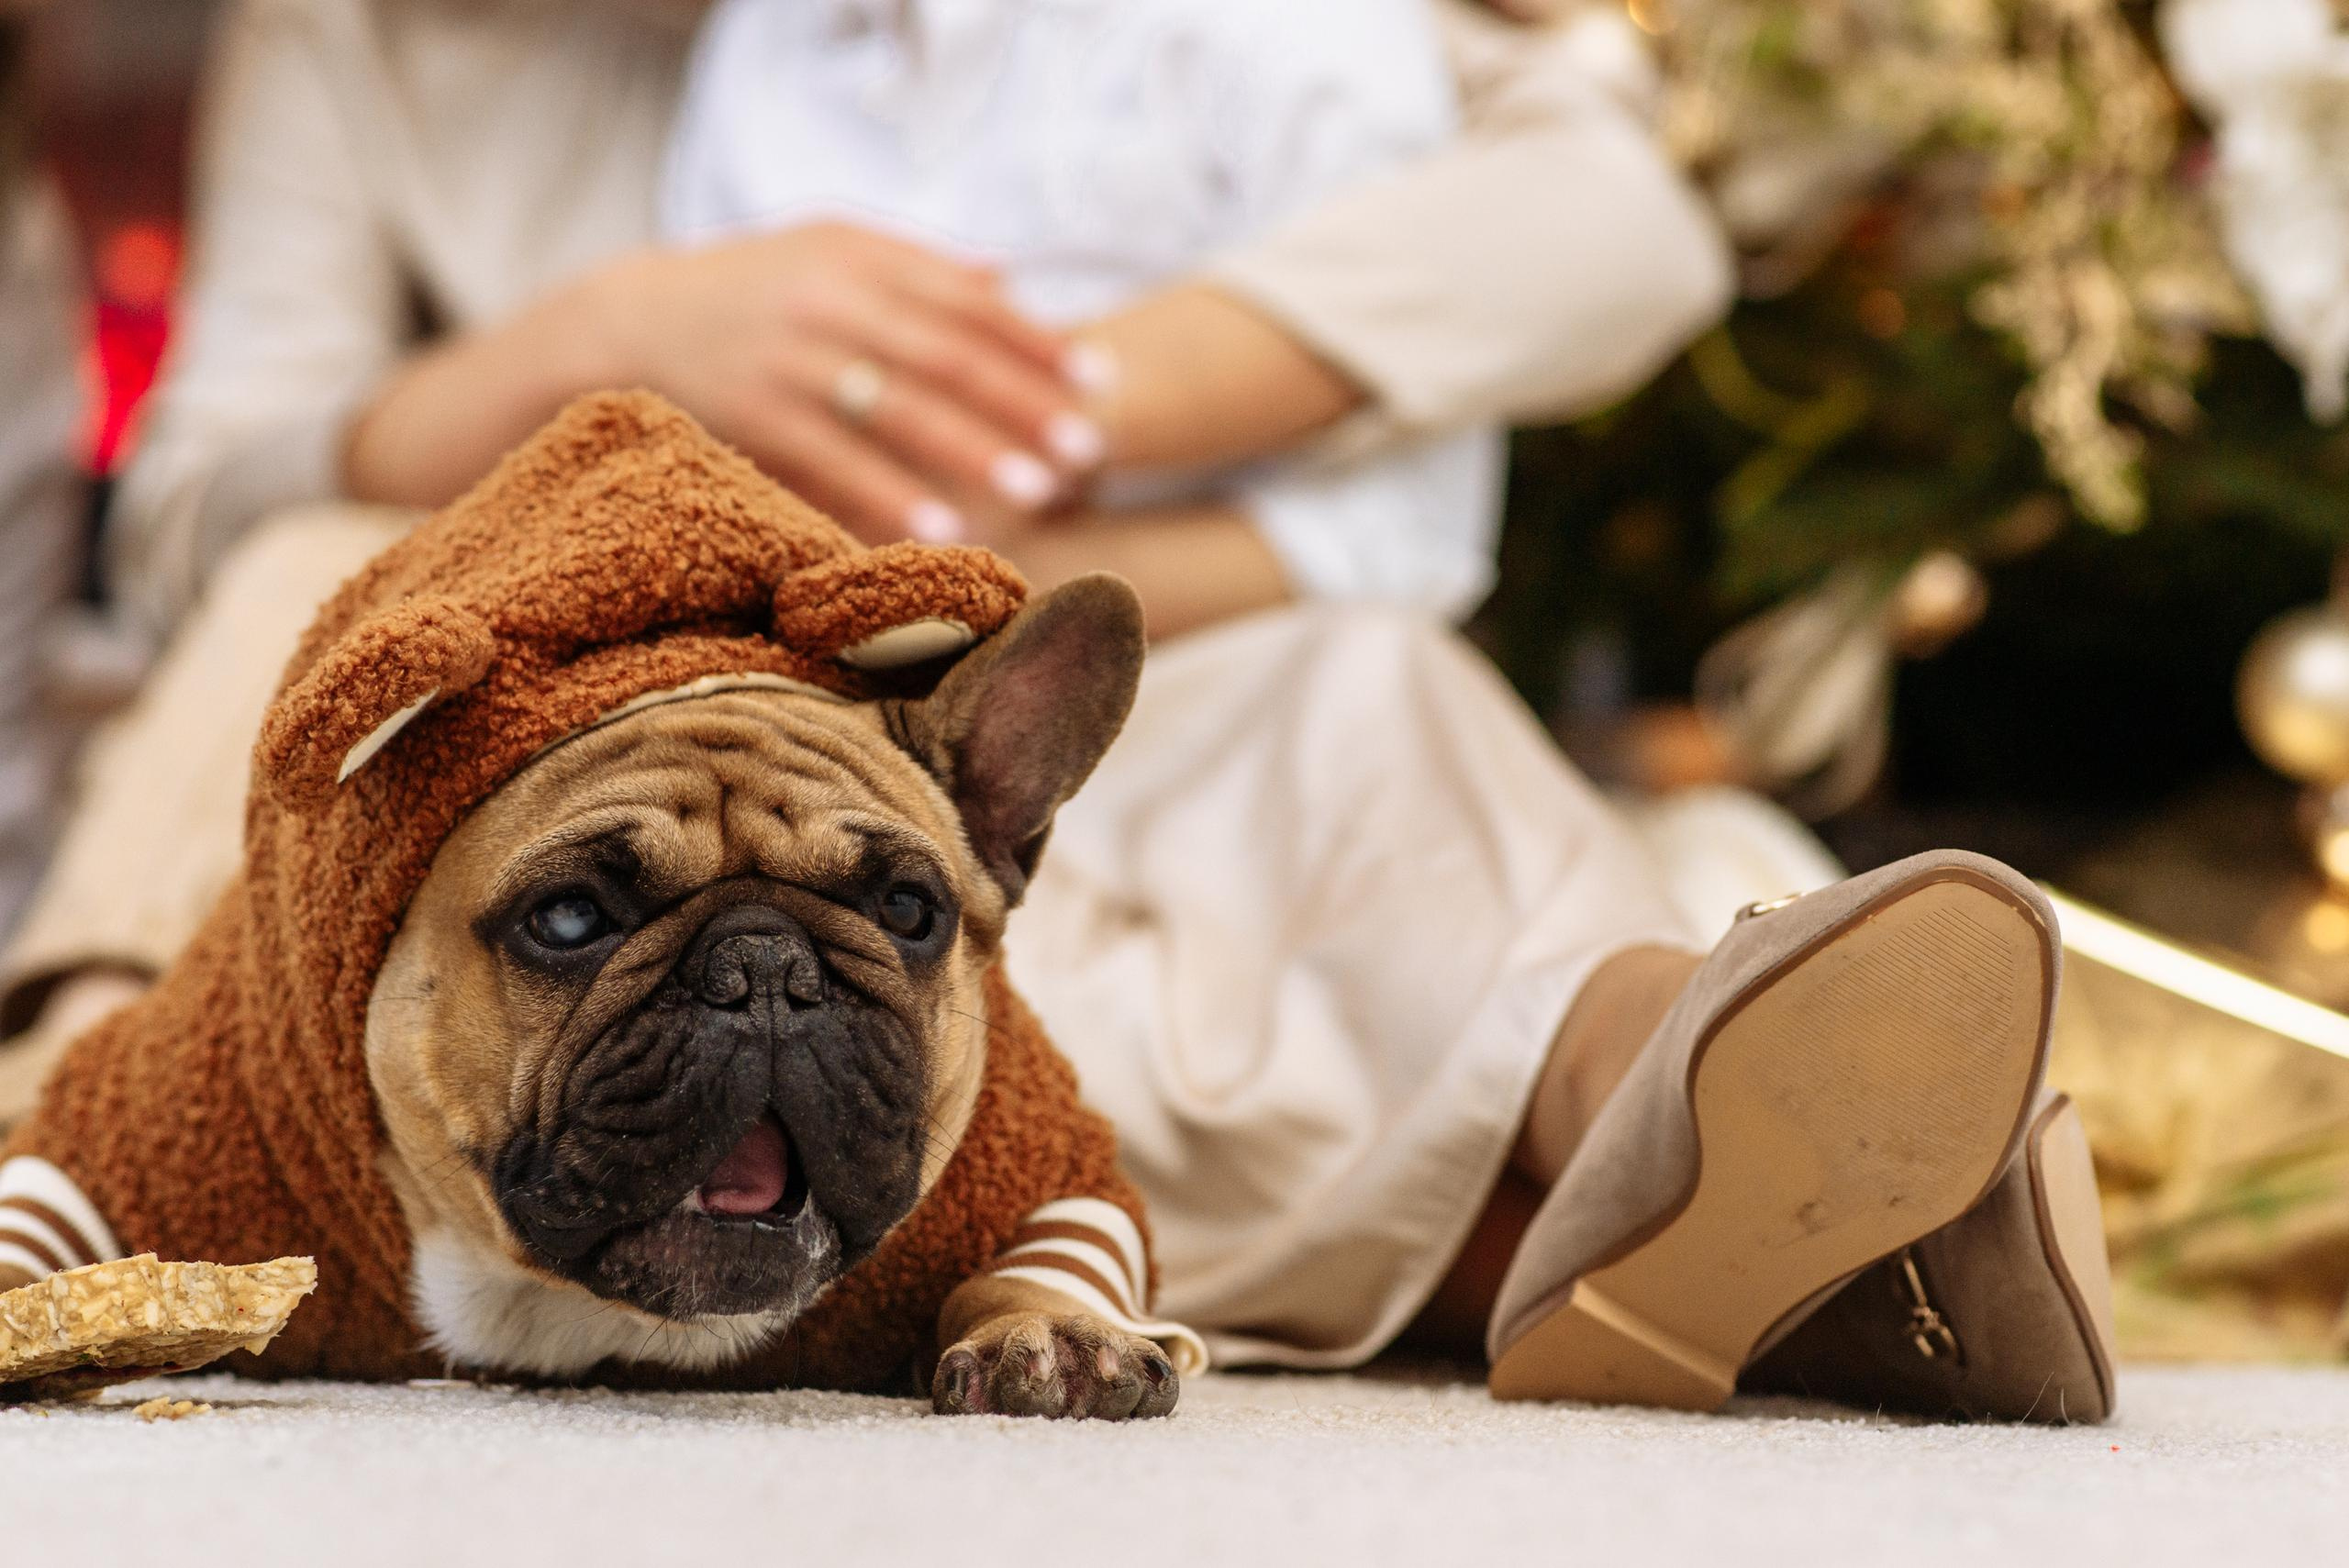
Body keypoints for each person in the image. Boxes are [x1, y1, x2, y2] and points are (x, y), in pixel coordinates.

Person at [2, 0, 2115, 1421]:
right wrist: (597, 347)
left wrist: (1092, 394)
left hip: (1025, 702)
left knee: (1358, 705)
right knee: (302, 591)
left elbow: (1608, 221)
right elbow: (195, 511)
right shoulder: (363, 32)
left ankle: (1677, 1084)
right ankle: (67, 1130)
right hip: (485, 808)